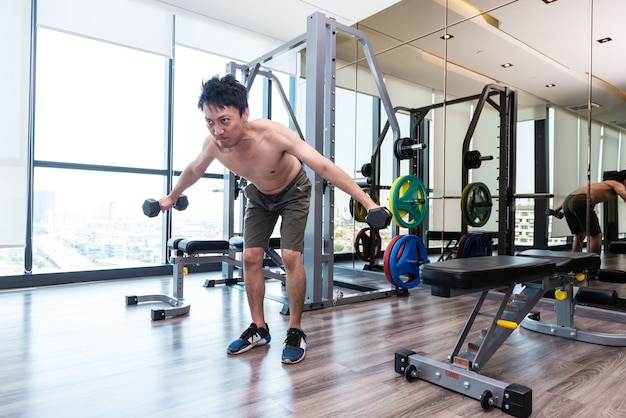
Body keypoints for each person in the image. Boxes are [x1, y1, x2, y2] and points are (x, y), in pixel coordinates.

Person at [158, 74, 386, 364]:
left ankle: (295, 329)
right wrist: (171, 196)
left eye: (224, 120)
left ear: (245, 114)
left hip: (294, 191)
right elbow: (194, 170)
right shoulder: (213, 145)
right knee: (250, 257)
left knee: (291, 256)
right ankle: (259, 328)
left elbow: (323, 166)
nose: (217, 130)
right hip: (259, 196)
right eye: (209, 121)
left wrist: (368, 203)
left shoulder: (274, 135)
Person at [553, 170, 626, 255]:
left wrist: (558, 209)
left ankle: (575, 263)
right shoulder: (616, 184)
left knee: (579, 235)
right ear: (624, 180)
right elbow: (624, 195)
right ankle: (592, 265)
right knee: (596, 236)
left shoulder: (601, 184)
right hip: (581, 201)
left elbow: (575, 198)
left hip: (567, 202)